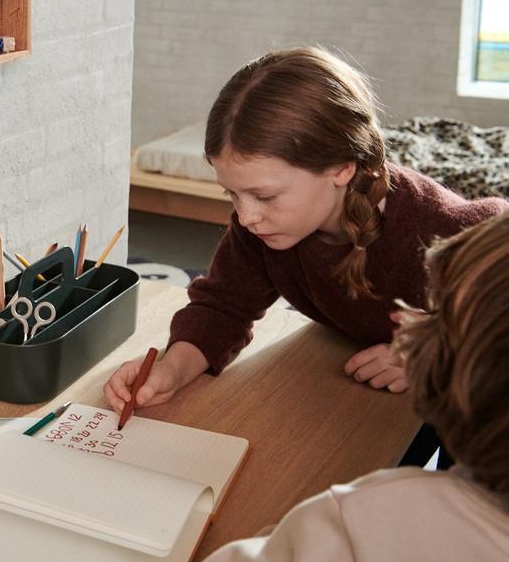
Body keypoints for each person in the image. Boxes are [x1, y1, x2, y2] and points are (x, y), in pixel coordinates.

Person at [105, 47, 506, 463]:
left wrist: (442, 348)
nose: (246, 216)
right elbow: (223, 306)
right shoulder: (258, 226)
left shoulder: (442, 228)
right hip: (362, 399)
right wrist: (173, 366)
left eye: (264, 195)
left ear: (342, 168)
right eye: (232, 194)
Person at [173, 210, 509, 562]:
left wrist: (293, 536)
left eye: (437, 319)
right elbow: (222, 301)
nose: (248, 215)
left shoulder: (376, 519)